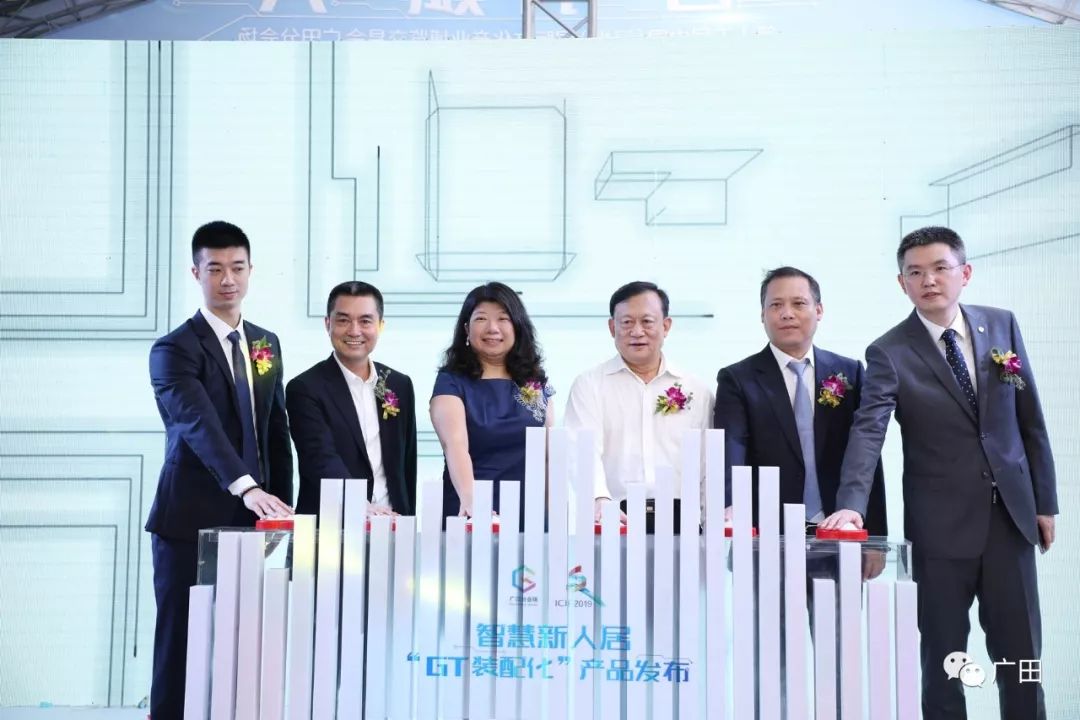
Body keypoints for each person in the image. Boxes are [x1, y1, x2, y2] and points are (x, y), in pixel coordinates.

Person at [822, 226, 1057, 720]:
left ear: (964, 273)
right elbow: (868, 432)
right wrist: (851, 505)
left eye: (940, 268)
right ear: (901, 283)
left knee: (1021, 659)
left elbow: (1030, 418)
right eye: (915, 272)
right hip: (939, 531)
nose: (928, 280)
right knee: (944, 661)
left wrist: (1044, 503)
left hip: (1010, 520)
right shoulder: (889, 351)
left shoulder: (1002, 325)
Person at [146, 221, 293, 720]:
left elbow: (275, 429)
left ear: (250, 271)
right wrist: (247, 487)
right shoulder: (173, 349)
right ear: (196, 273)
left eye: (237, 267)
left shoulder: (265, 343)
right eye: (215, 269)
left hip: (261, 520)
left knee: (251, 640)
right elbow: (197, 423)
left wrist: (281, 507)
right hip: (189, 519)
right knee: (182, 642)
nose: (227, 279)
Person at [714, 266, 887, 539]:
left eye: (798, 303)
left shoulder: (850, 372)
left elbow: (866, 453)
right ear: (762, 315)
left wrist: (874, 534)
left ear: (819, 310)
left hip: (839, 526)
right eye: (776, 305)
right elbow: (732, 448)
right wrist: (732, 507)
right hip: (768, 532)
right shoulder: (738, 379)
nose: (787, 313)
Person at [565, 281, 713, 530]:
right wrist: (598, 499)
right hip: (614, 519)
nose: (637, 331)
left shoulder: (696, 390)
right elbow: (581, 449)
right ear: (612, 327)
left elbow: (708, 461)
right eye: (626, 322)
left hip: (683, 521)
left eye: (647, 321)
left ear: (666, 326)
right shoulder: (589, 385)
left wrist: (709, 522)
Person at [287, 281, 417, 517]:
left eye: (365, 321)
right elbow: (319, 458)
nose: (354, 331)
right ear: (327, 324)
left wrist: (407, 519)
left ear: (380, 325)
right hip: (329, 526)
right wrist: (358, 504)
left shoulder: (398, 384)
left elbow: (406, 466)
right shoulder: (305, 388)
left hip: (392, 522)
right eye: (343, 320)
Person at [430, 282, 554, 520]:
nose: (492, 328)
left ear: (517, 326)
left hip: (529, 513)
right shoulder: (450, 381)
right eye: (481, 319)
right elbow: (455, 444)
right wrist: (472, 501)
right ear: (466, 329)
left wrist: (552, 515)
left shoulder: (536, 382)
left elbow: (548, 457)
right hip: (470, 512)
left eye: (503, 319)